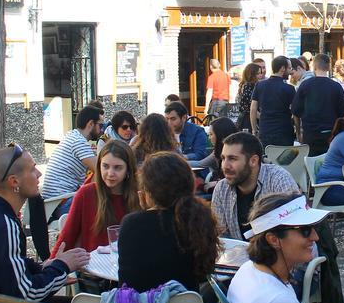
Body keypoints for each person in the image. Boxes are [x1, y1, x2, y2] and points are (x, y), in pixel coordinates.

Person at [0, 144, 89, 301]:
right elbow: (26, 295)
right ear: (14, 181)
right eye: (32, 169)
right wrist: (62, 267)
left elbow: (9, 265)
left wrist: (46, 267)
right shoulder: (3, 223)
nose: (39, 173)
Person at [118, 151, 219, 292]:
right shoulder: (198, 217)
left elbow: (127, 282)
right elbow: (204, 273)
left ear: (148, 192)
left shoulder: (132, 223)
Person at [51, 138, 140, 255]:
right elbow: (67, 236)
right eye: (105, 166)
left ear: (128, 169)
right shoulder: (86, 193)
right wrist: (52, 265)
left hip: (129, 265)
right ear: (99, 166)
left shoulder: (140, 195)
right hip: (91, 268)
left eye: (118, 167)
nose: (110, 173)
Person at [210, 132, 299, 240]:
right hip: (239, 254)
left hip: (279, 253)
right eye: (223, 158)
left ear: (253, 161)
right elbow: (221, 237)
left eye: (232, 159)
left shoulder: (278, 179)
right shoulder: (221, 189)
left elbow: (296, 228)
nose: (225, 166)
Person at [41, 105, 103, 213]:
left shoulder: (72, 136)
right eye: (101, 125)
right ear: (91, 124)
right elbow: (101, 170)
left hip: (53, 203)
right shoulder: (79, 142)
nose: (102, 129)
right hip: (61, 204)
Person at [292, 53, 344, 157]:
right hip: (331, 134)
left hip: (310, 134)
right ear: (328, 67)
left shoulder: (305, 85)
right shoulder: (336, 87)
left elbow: (296, 110)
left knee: (311, 165)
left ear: (314, 66)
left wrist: (299, 133)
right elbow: (342, 113)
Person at [251, 56, 296, 149]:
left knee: (267, 161)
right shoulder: (289, 88)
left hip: (265, 130)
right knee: (284, 162)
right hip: (284, 131)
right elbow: (295, 112)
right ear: (282, 69)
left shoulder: (260, 85)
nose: (291, 71)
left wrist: (254, 130)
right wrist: (298, 131)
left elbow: (253, 109)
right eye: (289, 68)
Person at [196, 117, 239, 185]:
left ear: (220, 135)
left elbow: (200, 164)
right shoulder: (217, 150)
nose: (209, 138)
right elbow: (200, 164)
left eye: (211, 134)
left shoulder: (237, 152)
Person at [237, 62, 262, 131]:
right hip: (249, 120)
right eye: (258, 73)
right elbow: (251, 107)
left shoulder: (246, 85)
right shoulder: (249, 86)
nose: (260, 76)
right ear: (252, 75)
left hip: (248, 118)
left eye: (261, 73)